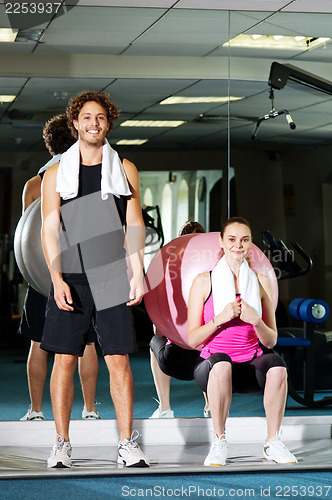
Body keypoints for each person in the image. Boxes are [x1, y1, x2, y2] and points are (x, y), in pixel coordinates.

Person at [40, 91, 149, 468]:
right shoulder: (55, 173)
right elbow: (50, 229)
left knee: (118, 359)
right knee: (65, 360)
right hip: (70, 270)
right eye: (86, 117)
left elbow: (134, 223)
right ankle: (61, 443)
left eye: (100, 117)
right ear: (75, 124)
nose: (93, 123)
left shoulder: (126, 169)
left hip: (110, 270)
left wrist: (137, 273)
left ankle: (126, 443)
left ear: (108, 123)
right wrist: (56, 278)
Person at [187, 217, 298, 466]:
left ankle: (273, 442)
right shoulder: (204, 281)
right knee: (222, 363)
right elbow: (192, 338)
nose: (239, 245)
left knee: (278, 367)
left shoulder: (259, 283)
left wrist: (256, 321)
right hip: (212, 366)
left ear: (250, 244)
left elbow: (271, 340)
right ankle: (219, 441)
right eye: (232, 239)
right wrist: (219, 319)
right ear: (222, 242)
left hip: (249, 365)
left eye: (244, 240)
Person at [18, 114, 100, 422]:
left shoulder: (34, 185)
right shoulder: (86, 176)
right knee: (87, 341)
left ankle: (36, 410)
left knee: (38, 340)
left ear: (49, 144)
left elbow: (28, 236)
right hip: (77, 273)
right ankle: (89, 410)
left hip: (43, 275)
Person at [149, 221, 210, 418]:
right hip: (203, 362)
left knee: (154, 341)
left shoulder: (170, 276)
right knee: (210, 341)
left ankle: (165, 408)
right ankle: (210, 405)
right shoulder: (210, 276)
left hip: (174, 360)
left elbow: (157, 330)